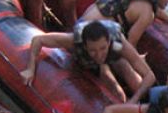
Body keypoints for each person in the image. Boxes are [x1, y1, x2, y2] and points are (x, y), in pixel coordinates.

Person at [21, 19, 155, 104]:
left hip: (114, 53)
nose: (98, 54)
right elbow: (38, 39)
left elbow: (150, 76)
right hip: (91, 61)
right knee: (117, 93)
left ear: (108, 42)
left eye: (102, 48)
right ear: (85, 46)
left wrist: (135, 99)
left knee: (133, 79)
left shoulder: (118, 43)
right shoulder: (74, 40)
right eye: (93, 50)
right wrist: (30, 68)